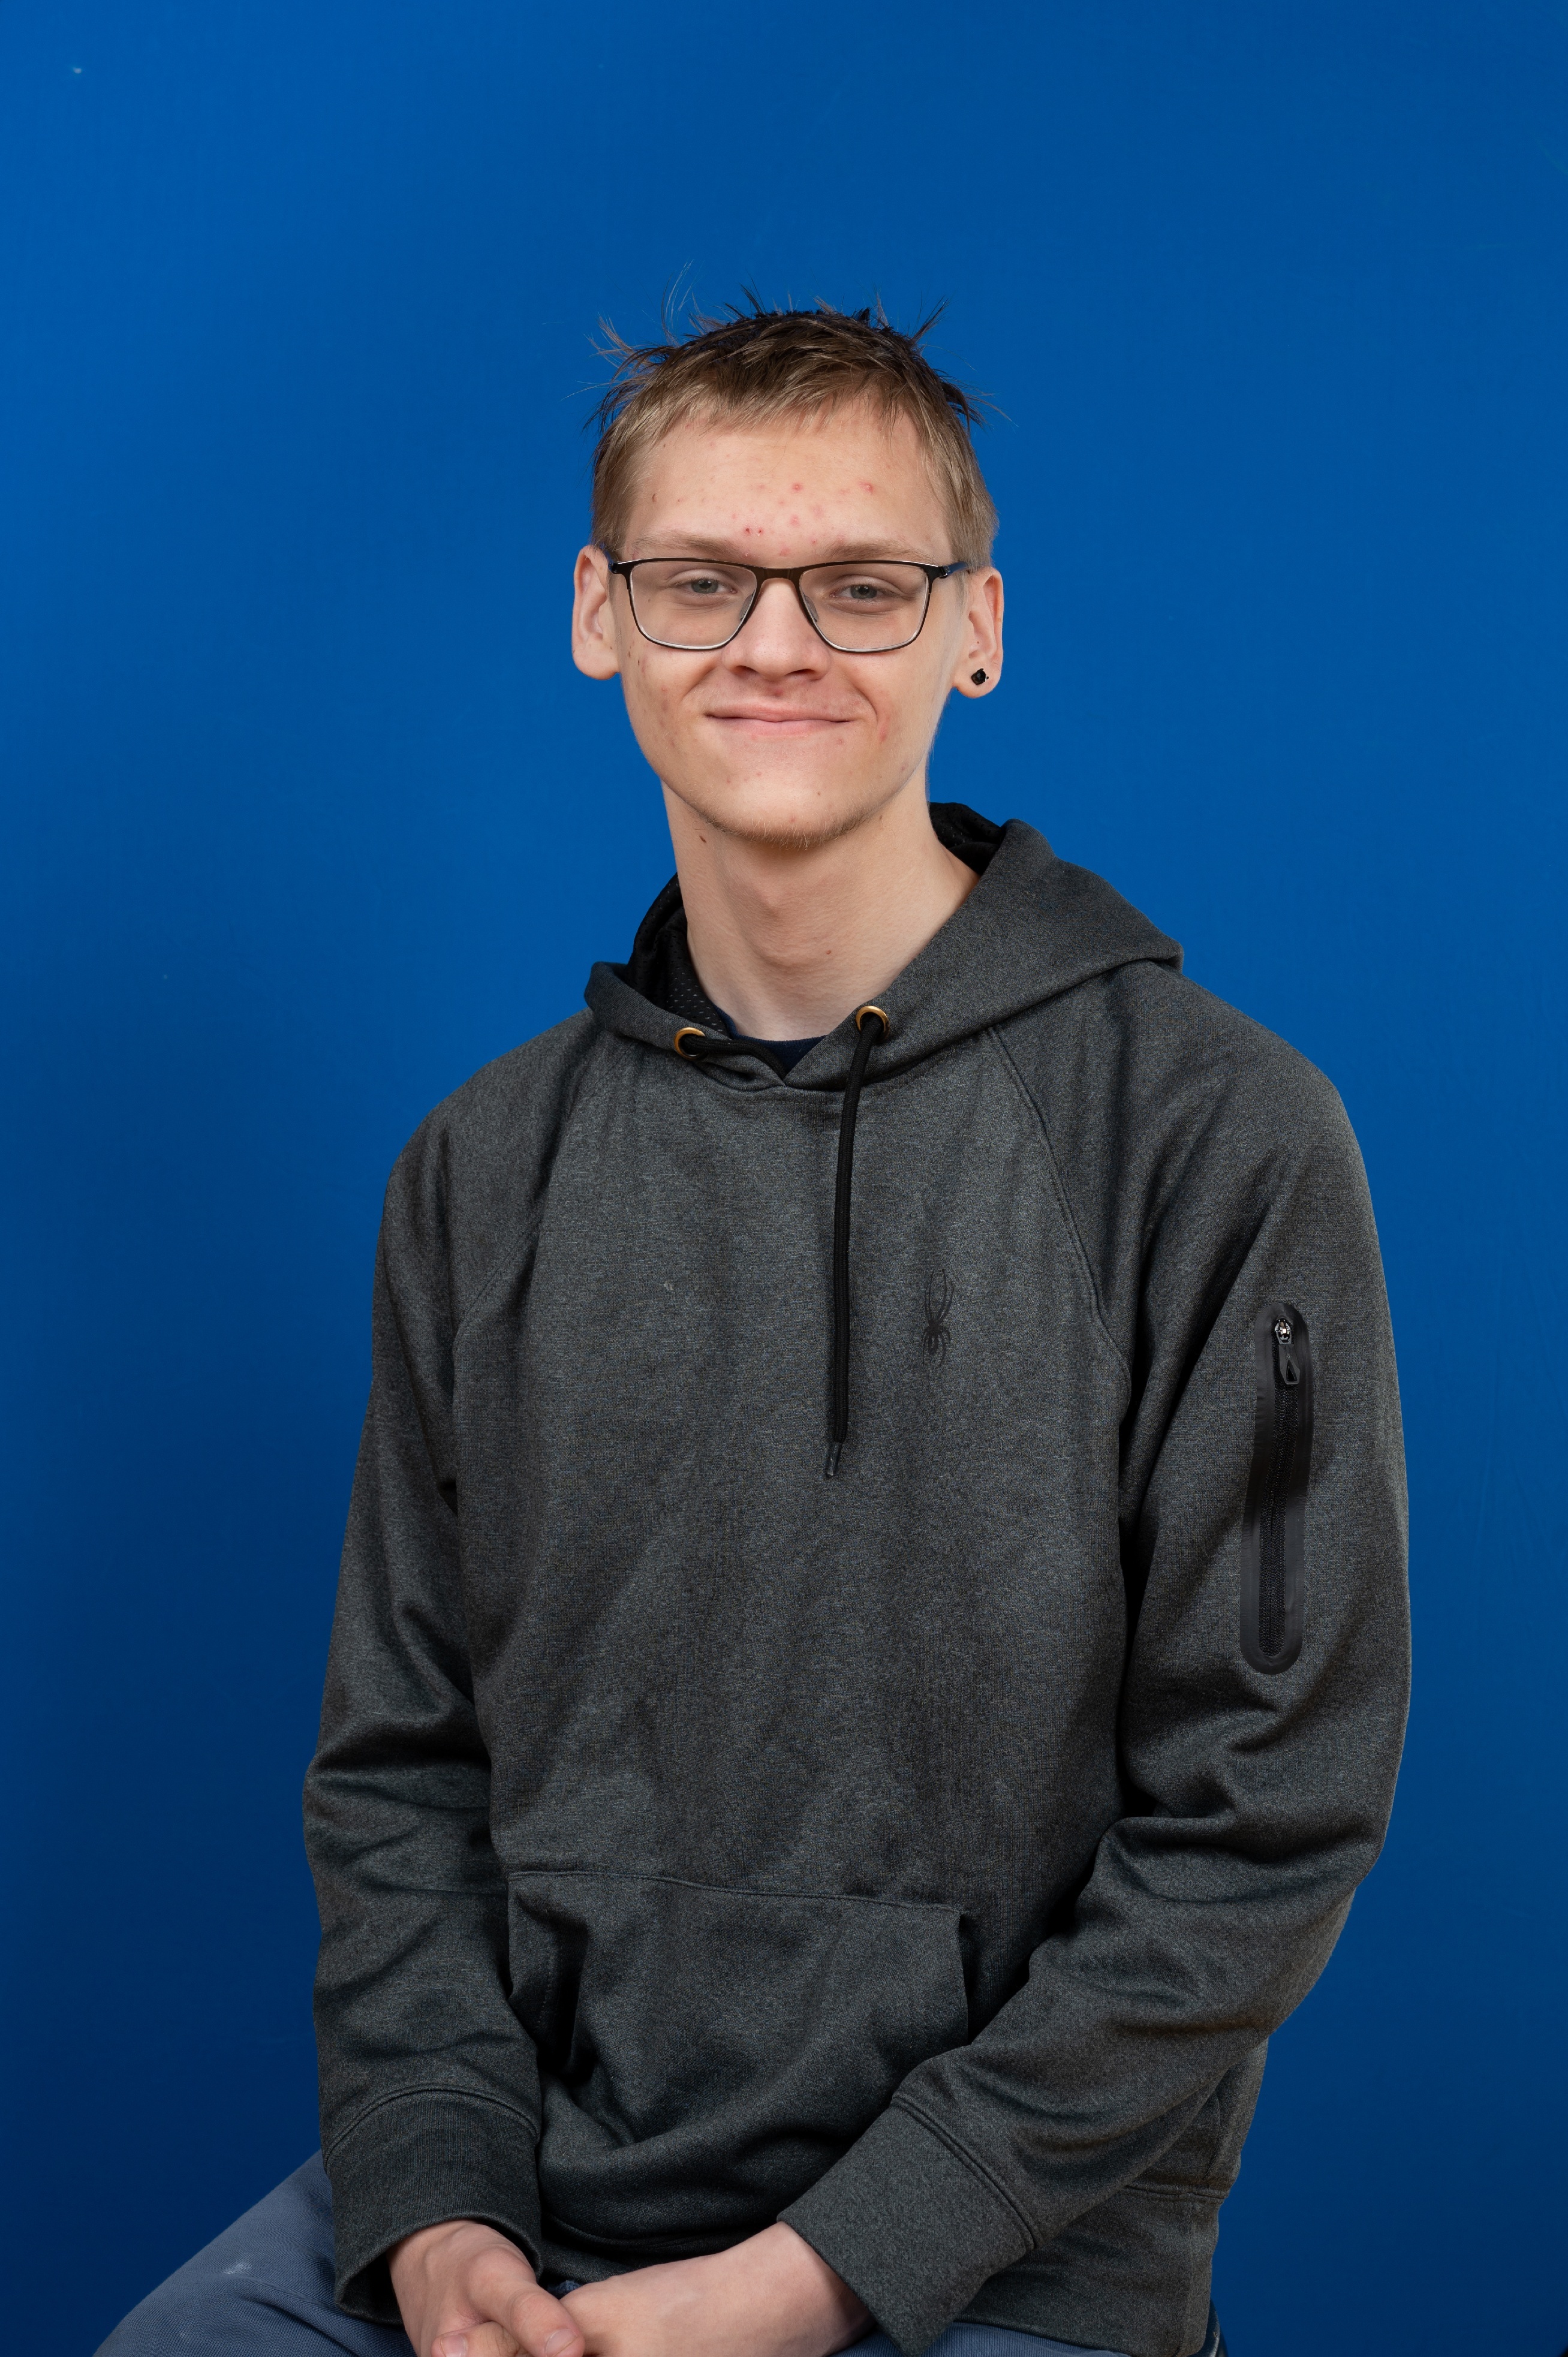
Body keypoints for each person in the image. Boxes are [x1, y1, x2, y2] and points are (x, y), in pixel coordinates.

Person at [100, 300, 1410, 2357]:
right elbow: (402, 1775)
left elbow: (1266, 1822)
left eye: (861, 585)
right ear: (598, 617)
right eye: (701, 579)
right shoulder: (479, 1169)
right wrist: (436, 2206)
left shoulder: (1213, 1136)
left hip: (1009, 2248)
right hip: (529, 2192)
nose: (774, 643)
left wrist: (820, 2276)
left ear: (975, 629)